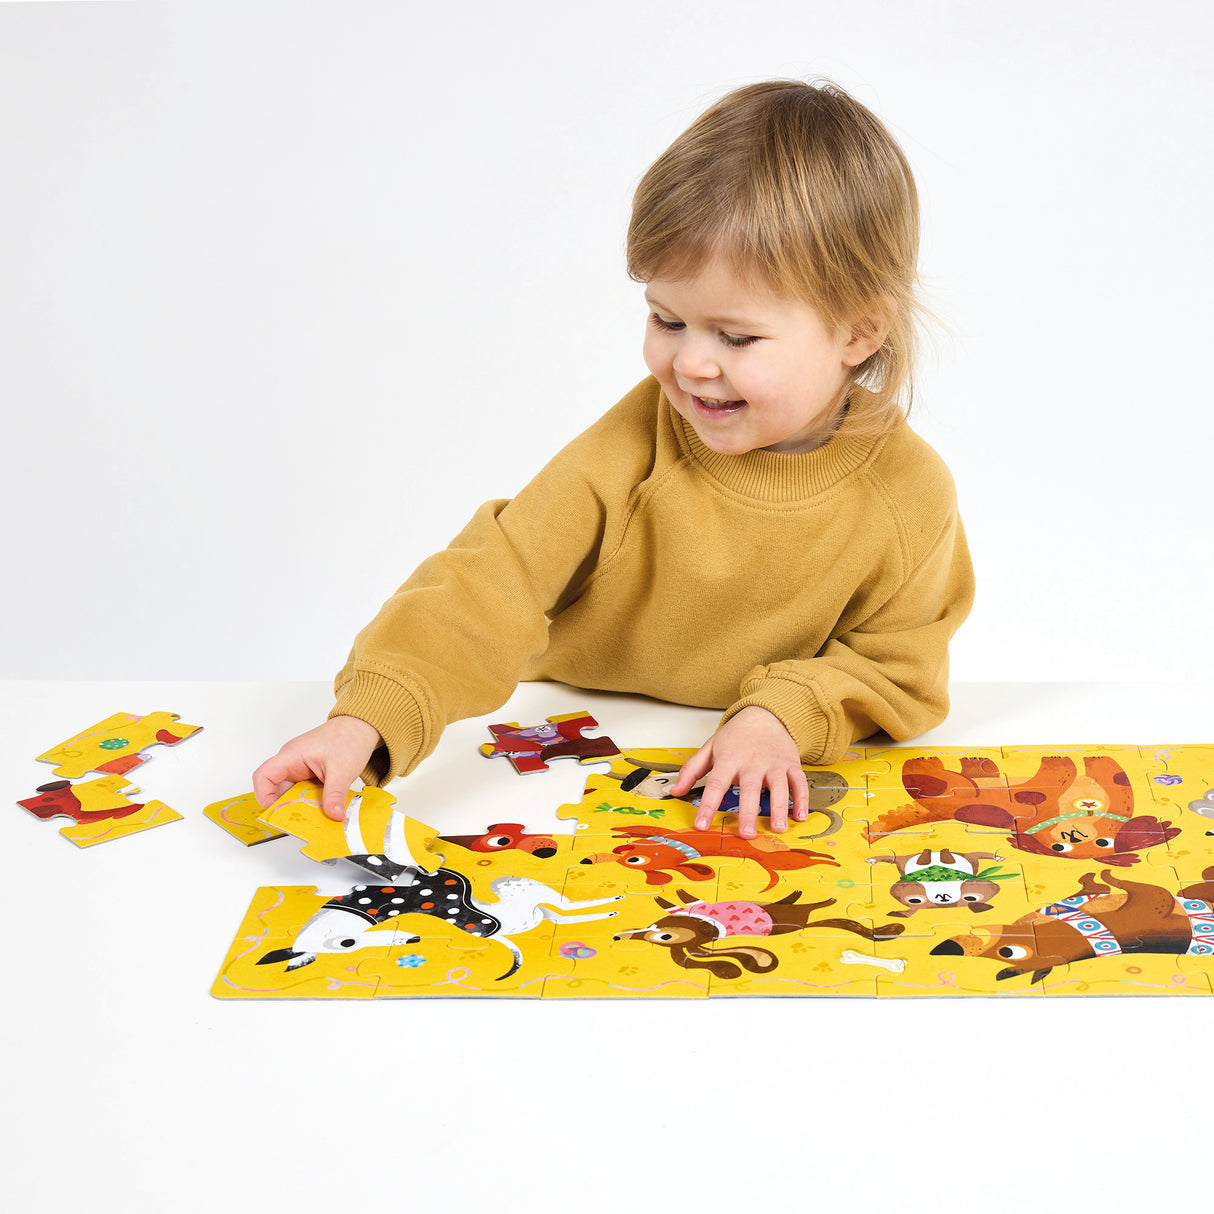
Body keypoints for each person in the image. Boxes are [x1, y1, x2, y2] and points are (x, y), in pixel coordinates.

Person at [253, 79, 975, 840]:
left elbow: (901, 667)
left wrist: (780, 715)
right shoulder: (640, 440)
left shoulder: (909, 493)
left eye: (735, 337)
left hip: (753, 783)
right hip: (569, 738)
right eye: (667, 319)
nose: (691, 363)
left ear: (859, 333)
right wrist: (372, 714)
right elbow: (492, 577)